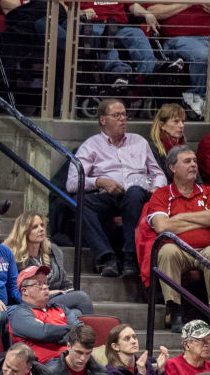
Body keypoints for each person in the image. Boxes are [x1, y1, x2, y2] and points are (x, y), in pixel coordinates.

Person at [71, 98, 166, 278]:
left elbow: (158, 173)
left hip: (138, 195)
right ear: (102, 120)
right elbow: (72, 181)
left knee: (134, 193)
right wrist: (100, 182)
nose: (123, 119)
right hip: (108, 196)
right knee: (78, 201)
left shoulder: (139, 142)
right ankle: (107, 258)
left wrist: (157, 188)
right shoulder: (90, 145)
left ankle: (130, 258)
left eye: (124, 114)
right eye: (116, 115)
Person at [136, 145, 210, 328]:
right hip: (179, 250)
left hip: (209, 249)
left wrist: (179, 218)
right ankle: (175, 310)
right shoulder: (161, 194)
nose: (193, 165)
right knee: (167, 251)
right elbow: (162, 227)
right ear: (172, 168)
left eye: (194, 161)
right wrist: (204, 220)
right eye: (187, 161)